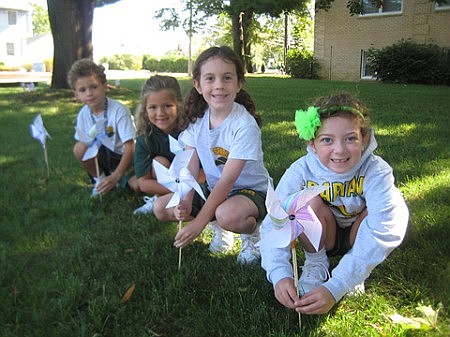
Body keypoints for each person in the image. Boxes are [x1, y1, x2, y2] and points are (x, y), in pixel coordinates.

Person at [260, 92, 409, 314]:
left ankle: (355, 272)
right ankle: (316, 263)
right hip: (322, 235)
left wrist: (338, 285)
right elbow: (277, 219)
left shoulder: (376, 171)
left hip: (358, 236)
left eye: (350, 138)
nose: (339, 149)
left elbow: (384, 226)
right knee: (303, 202)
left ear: (365, 139)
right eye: (327, 140)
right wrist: (279, 274)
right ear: (312, 143)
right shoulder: (301, 170)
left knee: (373, 213)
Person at [153, 46, 270, 264]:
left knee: (228, 214)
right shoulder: (197, 121)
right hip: (215, 190)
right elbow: (190, 167)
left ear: (239, 83)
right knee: (161, 208)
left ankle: (254, 234)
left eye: (227, 78)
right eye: (210, 78)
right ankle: (218, 225)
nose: (218, 86)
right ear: (198, 85)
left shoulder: (244, 125)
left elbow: (227, 180)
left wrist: (198, 224)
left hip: (250, 191)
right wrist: (186, 199)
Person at [68, 59, 138, 197]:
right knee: (79, 148)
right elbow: (85, 143)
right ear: (76, 94)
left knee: (135, 186)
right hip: (102, 155)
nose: (89, 93)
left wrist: (117, 175)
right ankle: (100, 181)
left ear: (105, 86)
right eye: (82, 90)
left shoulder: (119, 111)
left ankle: (118, 179)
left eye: (94, 87)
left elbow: (130, 147)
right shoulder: (83, 114)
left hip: (124, 157)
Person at [132, 75, 183, 215]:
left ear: (178, 105)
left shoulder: (190, 131)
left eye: (167, 106)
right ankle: (161, 198)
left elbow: (205, 171)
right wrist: (178, 188)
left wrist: (190, 184)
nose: (160, 113)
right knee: (159, 162)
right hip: (170, 185)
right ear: (145, 109)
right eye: (153, 107)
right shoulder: (145, 139)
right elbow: (143, 183)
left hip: (191, 176)